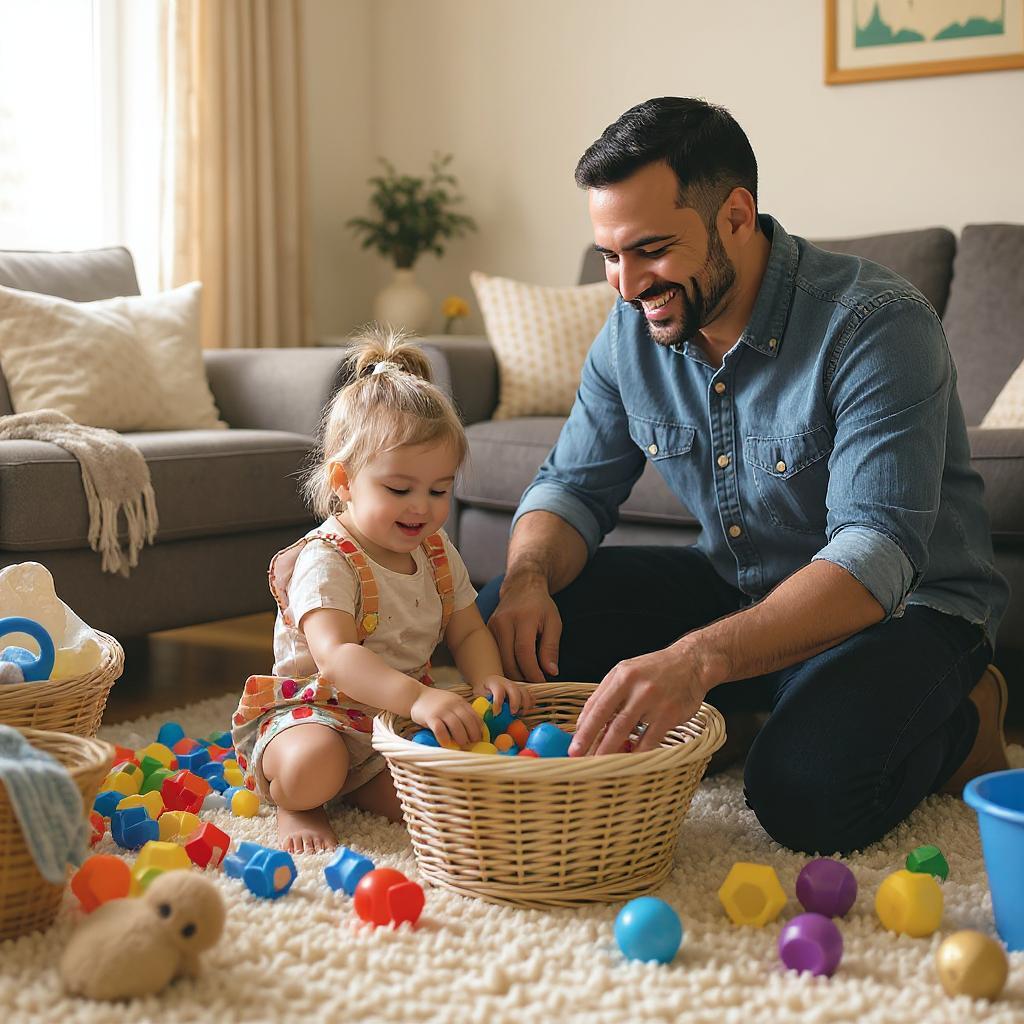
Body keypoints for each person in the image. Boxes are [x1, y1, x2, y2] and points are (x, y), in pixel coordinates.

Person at [479, 97, 1011, 856]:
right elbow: (572, 488)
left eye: (650, 250)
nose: (626, 286)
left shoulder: (876, 323)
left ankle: (967, 717)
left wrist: (696, 660)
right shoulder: (630, 330)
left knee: (802, 794)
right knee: (507, 613)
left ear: (735, 215)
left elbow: (874, 557)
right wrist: (529, 577)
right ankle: (742, 706)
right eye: (609, 256)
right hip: (738, 588)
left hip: (902, 611)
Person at [232, 326, 534, 854]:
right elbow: (337, 658)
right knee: (313, 768)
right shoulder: (327, 558)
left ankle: (354, 786)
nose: (422, 507)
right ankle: (297, 803)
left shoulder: (436, 551)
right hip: (314, 716)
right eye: (399, 489)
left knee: (445, 794)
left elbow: (467, 629)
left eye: (439, 490)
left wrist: (488, 678)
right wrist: (419, 697)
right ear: (344, 482)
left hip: (389, 723)